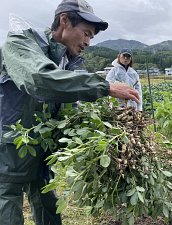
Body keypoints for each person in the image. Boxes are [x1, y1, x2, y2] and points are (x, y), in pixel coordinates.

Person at [0, 0, 139, 224]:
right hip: (8, 145)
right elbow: (41, 80)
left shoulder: (67, 60)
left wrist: (102, 134)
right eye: (86, 33)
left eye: (91, 37)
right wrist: (105, 87)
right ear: (64, 20)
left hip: (41, 146)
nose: (88, 42)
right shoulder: (21, 43)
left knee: (48, 204)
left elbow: (69, 107)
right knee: (7, 205)